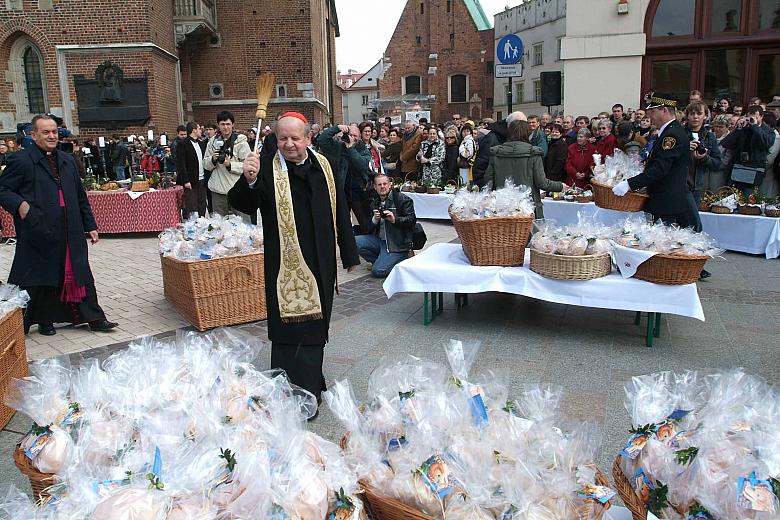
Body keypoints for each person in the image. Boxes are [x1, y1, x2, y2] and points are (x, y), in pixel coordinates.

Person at [229, 112, 359, 407]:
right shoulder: (265, 167)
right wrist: (249, 180)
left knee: (316, 327)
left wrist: (349, 252)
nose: (289, 144)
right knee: (288, 329)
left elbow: (341, 208)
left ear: (308, 137)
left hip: (321, 261)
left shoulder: (324, 165)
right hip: (284, 264)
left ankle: (311, 383)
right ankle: (289, 390)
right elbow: (242, 203)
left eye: (295, 138)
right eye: (282, 138)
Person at [0, 114, 117, 336]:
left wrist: (90, 224)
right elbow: (3, 190)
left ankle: (93, 316)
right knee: (42, 275)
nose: (52, 136)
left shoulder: (66, 160)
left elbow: (80, 196)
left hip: (70, 227)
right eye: (46, 132)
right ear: (34, 135)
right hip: (38, 227)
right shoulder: (21, 160)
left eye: (54, 131)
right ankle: (44, 320)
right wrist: (20, 205)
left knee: (76, 271)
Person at [613, 93, 694, 228]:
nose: (650, 116)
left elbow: (659, 169)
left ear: (664, 110)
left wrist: (629, 184)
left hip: (666, 202)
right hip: (662, 200)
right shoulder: (669, 131)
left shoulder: (671, 136)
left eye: (653, 112)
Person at [486, 120, 567, 219]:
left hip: (503, 206)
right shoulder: (533, 153)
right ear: (527, 133)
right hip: (528, 207)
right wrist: (560, 186)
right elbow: (541, 182)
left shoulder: (496, 153)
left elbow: (488, 181)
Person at [355, 173, 416, 278]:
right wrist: (374, 220)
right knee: (354, 241)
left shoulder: (402, 199)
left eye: (385, 184)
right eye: (379, 185)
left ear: (390, 184)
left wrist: (395, 219)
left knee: (378, 271)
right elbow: (367, 228)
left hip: (397, 244)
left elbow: (412, 220)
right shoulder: (374, 201)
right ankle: (382, 260)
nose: (382, 187)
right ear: (375, 187)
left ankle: (404, 258)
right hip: (380, 241)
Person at [318, 123, 372, 234]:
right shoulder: (338, 147)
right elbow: (322, 140)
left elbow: (362, 166)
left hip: (359, 192)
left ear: (359, 137)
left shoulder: (363, 150)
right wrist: (336, 128)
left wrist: (351, 149)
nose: (352, 138)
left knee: (364, 222)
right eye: (350, 135)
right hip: (342, 191)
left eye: (355, 136)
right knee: (342, 223)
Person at [204, 111, 252, 221]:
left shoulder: (241, 142)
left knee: (243, 223)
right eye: (222, 124)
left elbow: (248, 166)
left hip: (237, 188)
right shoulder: (212, 142)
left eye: (228, 124)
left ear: (233, 124)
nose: (225, 127)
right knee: (218, 224)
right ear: (218, 125)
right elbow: (205, 164)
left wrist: (230, 165)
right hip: (218, 189)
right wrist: (213, 159)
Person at [721, 105, 775, 195]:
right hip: (738, 169)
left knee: (748, 199)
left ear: (761, 116)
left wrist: (755, 127)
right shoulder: (743, 129)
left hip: (754, 170)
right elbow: (727, 144)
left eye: (755, 118)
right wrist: (738, 129)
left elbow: (766, 143)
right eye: (750, 118)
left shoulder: (768, 131)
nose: (751, 120)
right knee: (731, 197)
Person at [684, 101, 723, 205]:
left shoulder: (710, 137)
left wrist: (705, 158)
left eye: (699, 113)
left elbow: (718, 164)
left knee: (694, 215)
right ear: (687, 116)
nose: (695, 117)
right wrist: (685, 149)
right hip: (679, 185)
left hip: (698, 187)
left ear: (705, 116)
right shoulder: (679, 134)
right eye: (692, 114)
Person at [176, 122, 208, 218]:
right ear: (194, 130)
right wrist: (186, 180)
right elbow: (181, 164)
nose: (201, 131)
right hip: (190, 180)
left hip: (202, 179)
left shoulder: (201, 143)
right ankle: (192, 223)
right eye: (199, 129)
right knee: (191, 205)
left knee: (202, 203)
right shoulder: (183, 144)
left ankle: (202, 221)